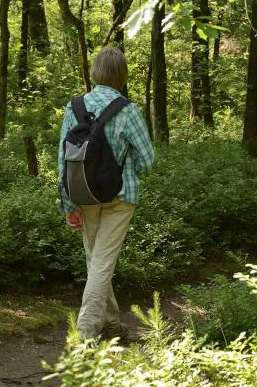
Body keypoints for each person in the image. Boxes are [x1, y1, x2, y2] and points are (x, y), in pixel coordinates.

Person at [57, 46, 154, 341]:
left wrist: (68, 204)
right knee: (102, 262)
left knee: (97, 261)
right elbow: (147, 161)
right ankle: (85, 333)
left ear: (95, 72)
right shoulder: (128, 110)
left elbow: (64, 160)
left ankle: (111, 324)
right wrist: (126, 167)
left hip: (84, 196)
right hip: (120, 197)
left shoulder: (74, 107)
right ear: (122, 76)